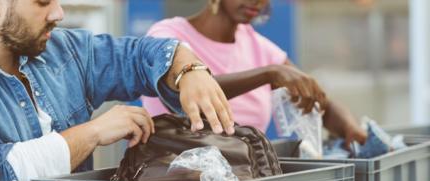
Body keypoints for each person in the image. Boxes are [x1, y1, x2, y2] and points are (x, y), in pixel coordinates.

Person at [0, 0, 236, 181]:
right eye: (42, 2)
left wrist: (188, 68)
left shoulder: (66, 51)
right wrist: (93, 132)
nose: (58, 13)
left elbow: (137, 56)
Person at [141, 0, 367, 146]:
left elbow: (312, 98)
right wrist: (267, 74)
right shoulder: (167, 35)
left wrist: (349, 126)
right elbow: (191, 92)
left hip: (244, 178)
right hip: (177, 177)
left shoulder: (260, 48)